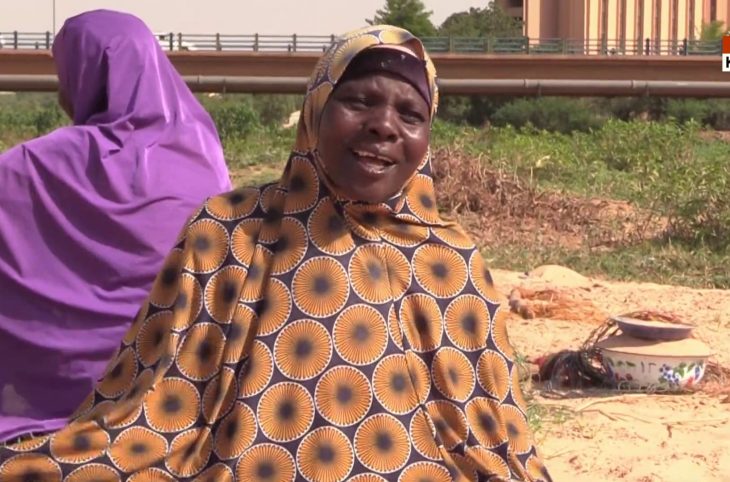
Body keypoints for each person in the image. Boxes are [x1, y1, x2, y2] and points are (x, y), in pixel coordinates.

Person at [0, 25, 551, 481]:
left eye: (410, 116)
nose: (383, 126)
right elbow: (147, 393)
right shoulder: (226, 230)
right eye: (358, 101)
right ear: (316, 107)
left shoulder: (450, 261)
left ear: (428, 137)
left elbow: (496, 434)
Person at [0, 10, 231, 443]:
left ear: (84, 75)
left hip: (60, 392)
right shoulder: (202, 146)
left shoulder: (40, 163)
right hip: (178, 387)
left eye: (64, 73)